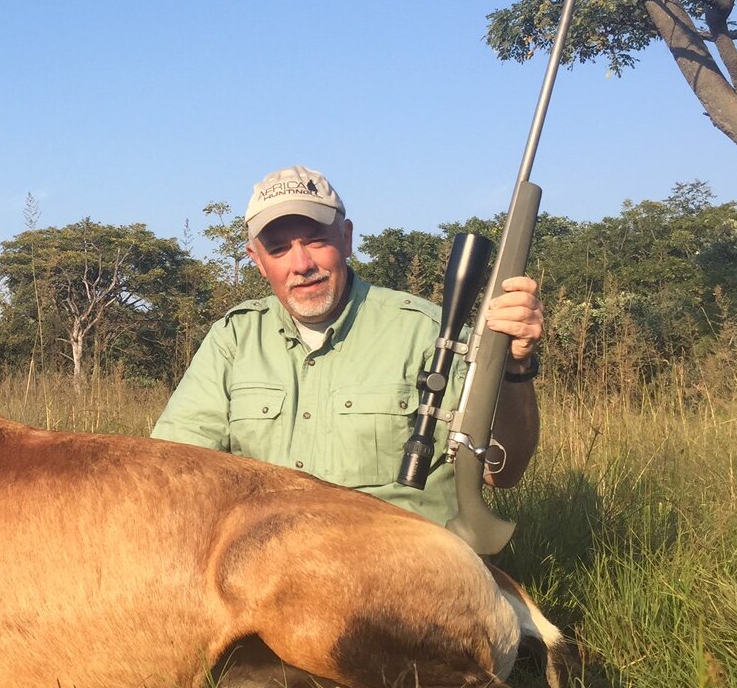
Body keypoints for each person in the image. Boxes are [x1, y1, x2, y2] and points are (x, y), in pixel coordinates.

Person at [151, 166, 544, 527]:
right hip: (267, 569)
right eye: (278, 249)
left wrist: (514, 366)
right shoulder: (234, 337)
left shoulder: (427, 331)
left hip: (402, 562)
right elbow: (171, 470)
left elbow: (501, 472)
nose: (301, 264)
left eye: (316, 240)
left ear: (347, 237)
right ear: (256, 260)